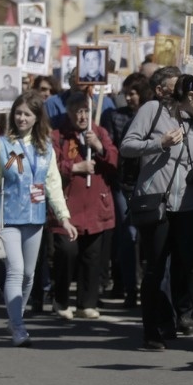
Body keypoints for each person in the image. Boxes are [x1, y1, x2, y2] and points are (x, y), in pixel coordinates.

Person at [120, 73, 193, 352]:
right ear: (191, 98)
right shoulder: (153, 111)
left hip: (188, 205)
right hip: (157, 205)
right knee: (154, 270)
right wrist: (159, 143)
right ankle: (151, 331)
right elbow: (127, 146)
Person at [0, 92, 78, 346]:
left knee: (29, 274)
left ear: (36, 117)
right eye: (18, 113)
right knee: (15, 271)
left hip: (35, 218)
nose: (21, 118)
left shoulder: (45, 147)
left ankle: (14, 315)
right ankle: (18, 327)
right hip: (7, 219)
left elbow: (53, 185)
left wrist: (64, 217)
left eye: (27, 114)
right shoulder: (1, 145)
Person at [50, 92, 118, 320]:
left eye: (86, 111)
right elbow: (50, 163)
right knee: (67, 253)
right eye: (77, 111)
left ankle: (86, 303)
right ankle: (60, 300)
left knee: (92, 256)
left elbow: (114, 159)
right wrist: (75, 168)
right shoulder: (58, 135)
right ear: (68, 112)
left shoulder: (98, 132)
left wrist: (98, 146)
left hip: (95, 205)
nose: (82, 116)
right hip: (68, 207)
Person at [101, 73, 154, 308]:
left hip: (149, 183)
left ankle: (148, 287)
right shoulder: (116, 117)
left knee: (147, 238)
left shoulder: (154, 116)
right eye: (127, 93)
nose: (129, 97)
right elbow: (113, 146)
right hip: (124, 184)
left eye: (133, 93)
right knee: (128, 236)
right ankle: (130, 287)